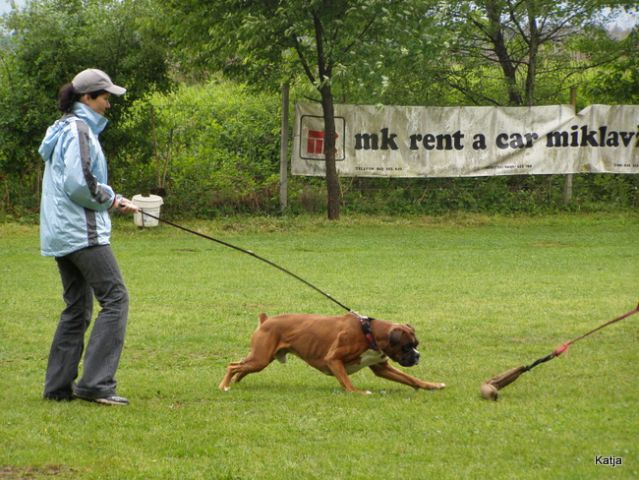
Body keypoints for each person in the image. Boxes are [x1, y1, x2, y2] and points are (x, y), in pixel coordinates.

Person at [39, 68, 139, 406]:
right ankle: (96, 384)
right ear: (87, 98)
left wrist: (112, 198)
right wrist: (112, 200)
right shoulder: (80, 130)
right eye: (105, 97)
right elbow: (79, 183)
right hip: (81, 232)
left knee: (78, 308)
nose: (108, 104)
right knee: (115, 299)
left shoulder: (63, 127)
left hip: (61, 234)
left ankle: (57, 387)